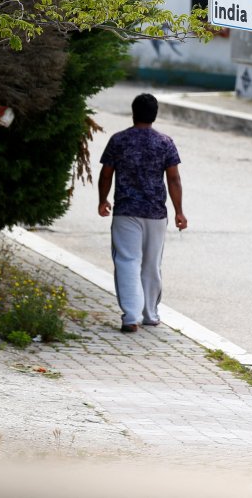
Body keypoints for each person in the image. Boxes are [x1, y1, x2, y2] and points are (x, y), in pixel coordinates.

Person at [98, 93, 187, 333]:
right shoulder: (165, 142)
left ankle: (130, 316)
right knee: (151, 264)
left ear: (133, 112)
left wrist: (102, 200)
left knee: (127, 261)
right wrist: (179, 211)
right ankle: (150, 314)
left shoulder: (118, 140)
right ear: (155, 115)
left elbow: (106, 174)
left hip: (126, 211)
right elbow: (174, 179)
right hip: (156, 213)